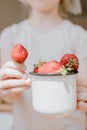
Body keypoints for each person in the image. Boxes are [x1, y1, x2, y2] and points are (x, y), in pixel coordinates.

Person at [0, 0, 87, 129]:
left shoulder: (80, 36)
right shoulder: (9, 36)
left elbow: (83, 88)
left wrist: (82, 97)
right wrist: (8, 92)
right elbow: (9, 96)